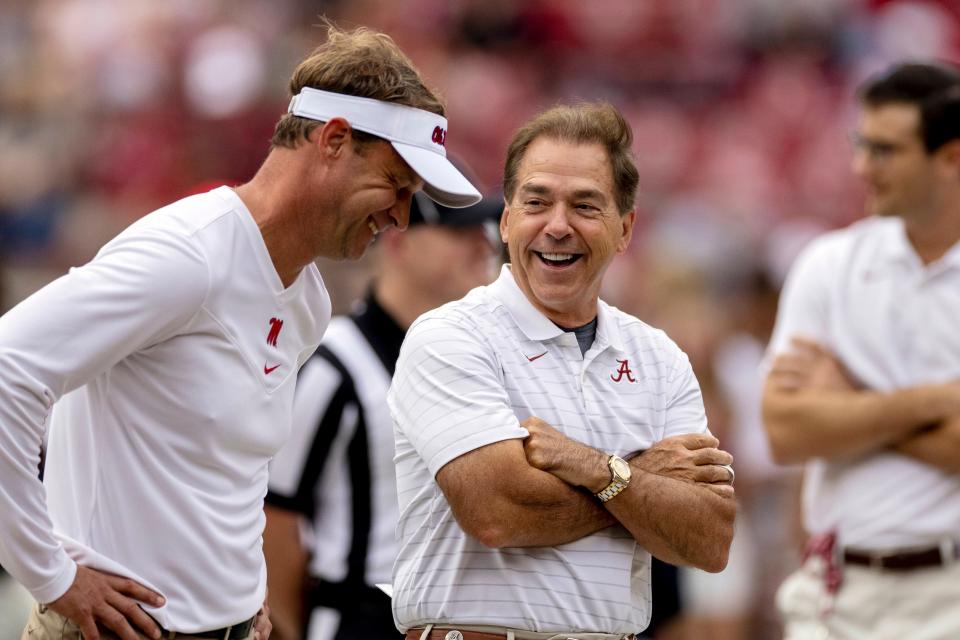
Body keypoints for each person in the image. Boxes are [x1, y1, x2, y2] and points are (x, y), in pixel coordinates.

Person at [0, 24, 481, 640]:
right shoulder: (188, 255)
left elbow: (232, 471)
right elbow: (10, 370)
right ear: (334, 140)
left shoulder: (305, 297)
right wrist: (51, 576)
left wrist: (242, 590)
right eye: (396, 183)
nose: (401, 216)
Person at [387, 102, 737, 639]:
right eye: (536, 201)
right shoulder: (450, 336)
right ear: (506, 220)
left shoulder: (659, 356)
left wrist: (594, 467)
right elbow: (499, 513)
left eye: (585, 206)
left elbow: (708, 539)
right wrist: (645, 480)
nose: (557, 225)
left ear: (625, 229)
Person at [762, 61, 960, 640]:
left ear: (951, 157)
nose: (860, 167)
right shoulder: (829, 263)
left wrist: (847, 402)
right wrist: (934, 401)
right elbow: (784, 430)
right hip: (836, 594)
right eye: (860, 144)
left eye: (885, 150)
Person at [262, 181, 502, 640]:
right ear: (397, 241)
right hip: (359, 617)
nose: (482, 243)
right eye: (460, 231)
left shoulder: (483, 364)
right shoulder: (335, 362)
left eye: (484, 229)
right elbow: (277, 515)